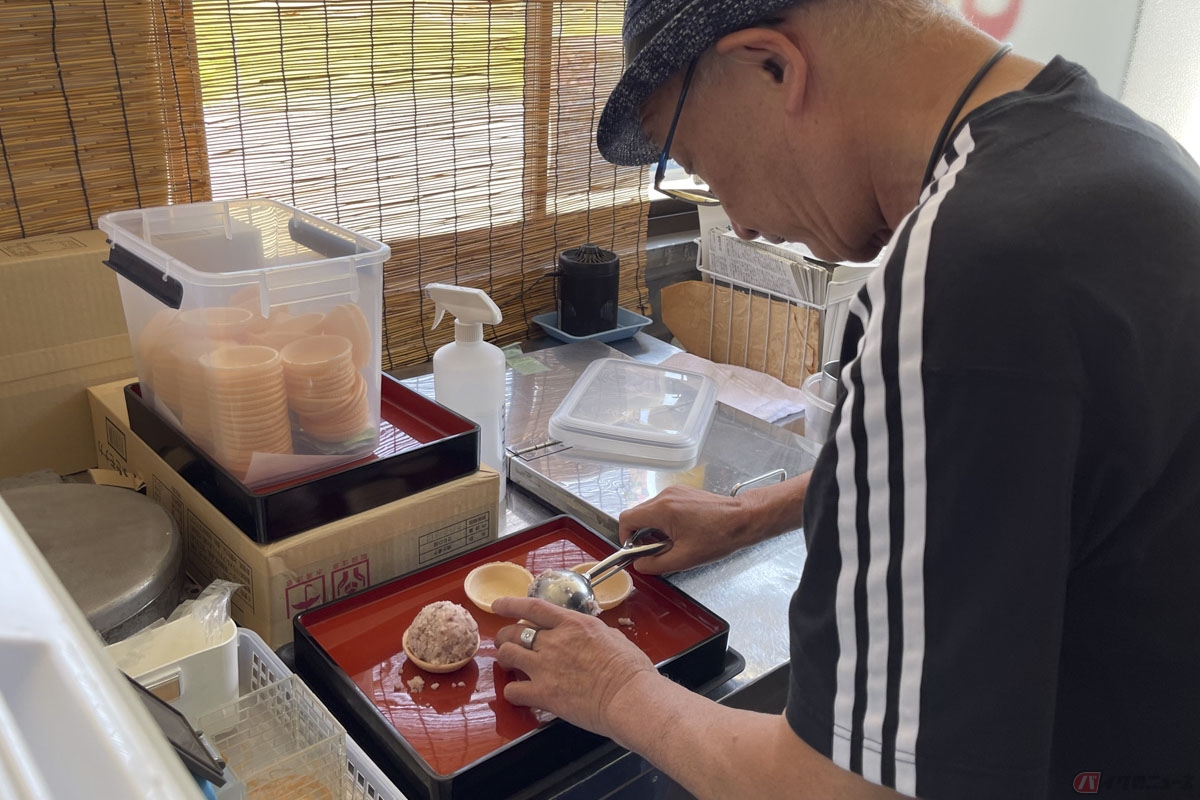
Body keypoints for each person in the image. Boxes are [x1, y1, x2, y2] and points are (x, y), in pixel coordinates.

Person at [493, 0, 1200, 797]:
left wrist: (617, 690)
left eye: (699, 161)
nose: (741, 224)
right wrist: (754, 513)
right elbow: (1012, 477)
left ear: (772, 65)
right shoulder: (1118, 151)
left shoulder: (967, 276)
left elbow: (839, 788)